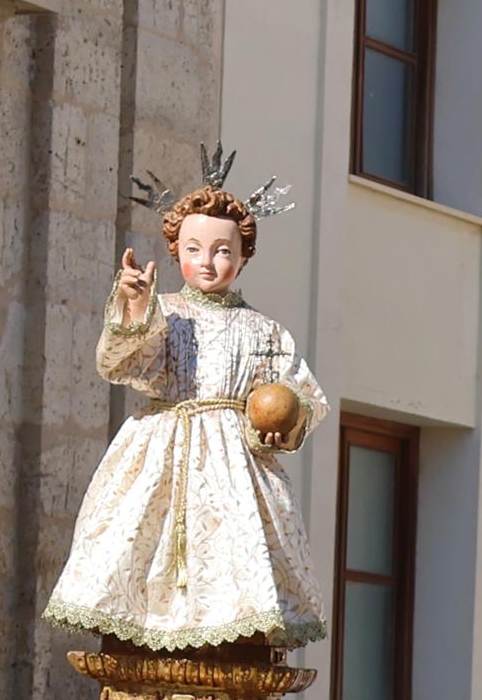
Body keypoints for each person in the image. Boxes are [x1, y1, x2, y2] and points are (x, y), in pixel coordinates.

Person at [48, 171, 330, 657]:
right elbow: (125, 365)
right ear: (176, 251)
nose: (208, 261)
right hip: (161, 448)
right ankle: (133, 648)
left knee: (236, 554)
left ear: (243, 258)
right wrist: (136, 308)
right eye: (195, 248)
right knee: (140, 539)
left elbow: (295, 395)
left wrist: (281, 423)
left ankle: (234, 648)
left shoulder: (265, 331)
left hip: (236, 466)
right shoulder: (165, 313)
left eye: (223, 250)